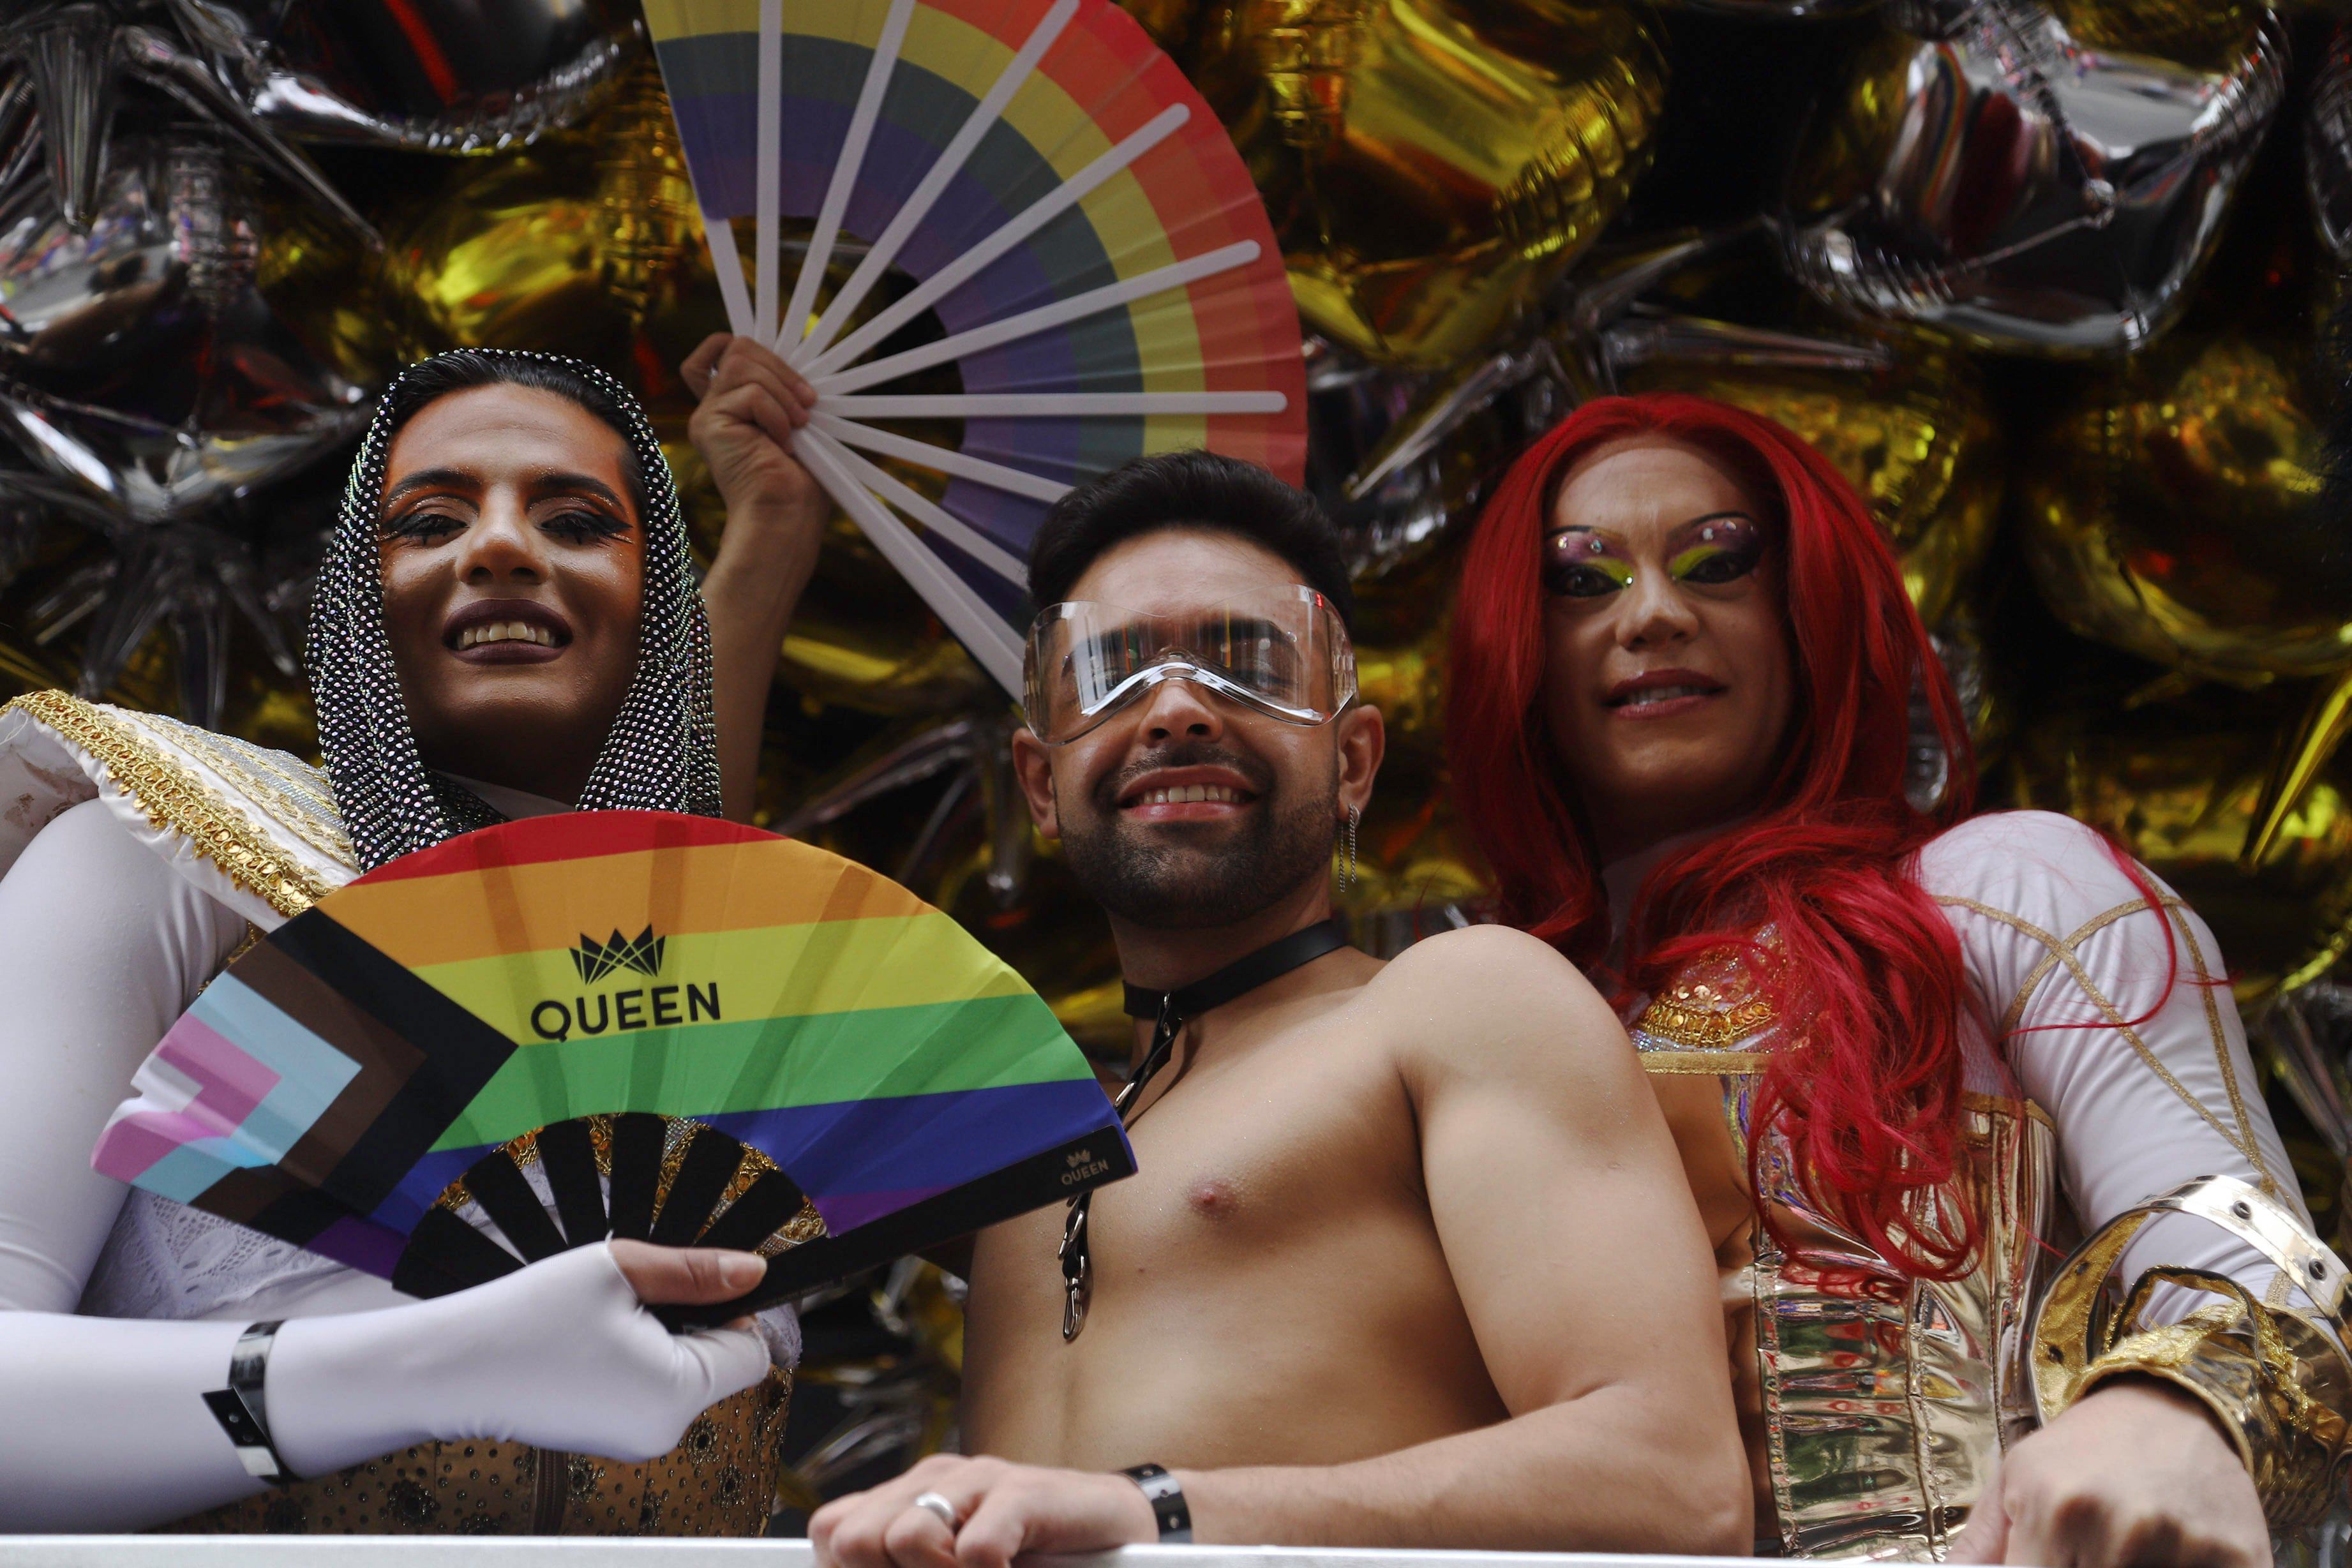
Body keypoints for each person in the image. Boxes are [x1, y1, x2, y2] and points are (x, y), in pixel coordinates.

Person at [1444, 392, 2350, 1565]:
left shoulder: (1999, 888)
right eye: (1581, 579)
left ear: (1807, 611)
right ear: (1511, 640)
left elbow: (2245, 1249)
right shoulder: (1454, 1023)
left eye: (1717, 562)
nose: (1653, 612)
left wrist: (2171, 1409)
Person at [806, 451, 1750, 1568]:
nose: (1176, 710)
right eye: (1111, 674)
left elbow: (1674, 1481)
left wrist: (1151, 1511)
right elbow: (673, 953)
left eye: (1246, 664)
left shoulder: (1460, 1003)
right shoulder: (1022, 1154)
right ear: (1039, 783)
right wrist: (770, 536)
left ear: (1352, 762)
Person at [0, 336, 830, 1532]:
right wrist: (434, 1368)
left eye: (577, 521)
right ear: (355, 596)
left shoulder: (745, 983)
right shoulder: (172, 857)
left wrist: (771, 543)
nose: (499, 546)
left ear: (660, 610)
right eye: (430, 521)